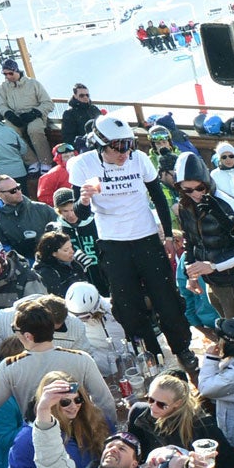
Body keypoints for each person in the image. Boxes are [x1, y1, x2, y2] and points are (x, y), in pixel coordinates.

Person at [67, 115, 194, 370]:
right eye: (118, 148)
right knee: (128, 304)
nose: (125, 154)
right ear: (101, 145)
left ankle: (182, 348)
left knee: (166, 298)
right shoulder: (83, 164)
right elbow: (79, 217)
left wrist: (168, 235)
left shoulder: (139, 158)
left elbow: (158, 196)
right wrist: (83, 200)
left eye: (129, 146)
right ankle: (149, 353)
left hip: (146, 236)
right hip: (113, 242)